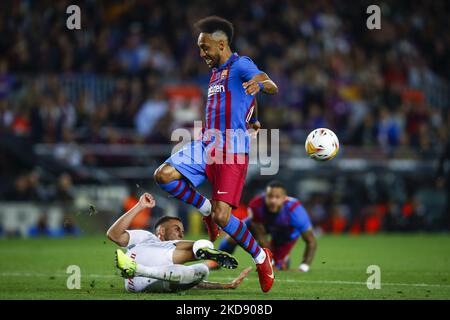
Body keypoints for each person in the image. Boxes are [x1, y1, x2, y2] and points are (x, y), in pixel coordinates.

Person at [153, 16, 278, 293]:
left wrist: (262, 84)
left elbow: (268, 84)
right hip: (206, 144)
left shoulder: (241, 64)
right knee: (164, 175)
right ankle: (206, 210)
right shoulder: (215, 73)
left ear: (221, 44)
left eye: (205, 47)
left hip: (232, 150)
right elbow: (242, 100)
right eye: (200, 48)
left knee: (225, 218)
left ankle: (261, 257)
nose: (201, 53)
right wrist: (253, 117)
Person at [107, 192, 251, 293]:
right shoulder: (147, 237)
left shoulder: (171, 257)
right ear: (161, 231)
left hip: (143, 282)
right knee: (194, 252)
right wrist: (139, 206)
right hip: (140, 257)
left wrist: (226, 286)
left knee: (201, 270)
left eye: (182, 231)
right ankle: (204, 249)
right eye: (177, 229)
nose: (181, 234)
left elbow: (190, 281)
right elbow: (113, 235)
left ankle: (204, 250)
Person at [213, 181, 317, 272]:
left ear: (284, 198)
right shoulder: (256, 205)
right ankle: (216, 261)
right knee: (234, 236)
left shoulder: (296, 211)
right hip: (264, 225)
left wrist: (304, 267)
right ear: (265, 196)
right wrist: (267, 261)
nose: (273, 200)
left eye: (277, 197)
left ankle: (283, 260)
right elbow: (261, 237)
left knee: (275, 268)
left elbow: (311, 241)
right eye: (270, 196)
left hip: (286, 233)